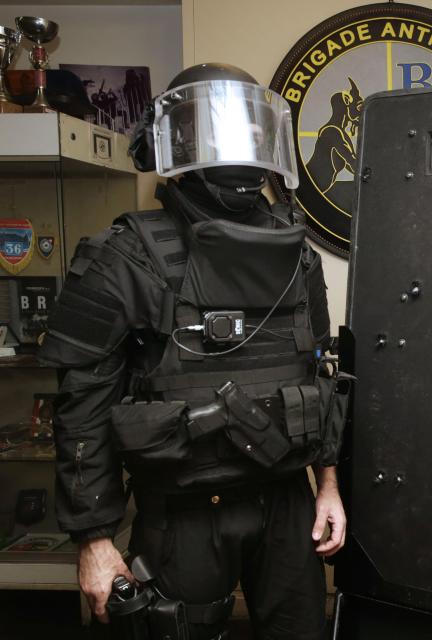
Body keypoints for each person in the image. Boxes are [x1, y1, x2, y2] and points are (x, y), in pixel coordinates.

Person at [40, 63, 349, 639]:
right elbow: (81, 405)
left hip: (286, 501)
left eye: (249, 130)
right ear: (176, 139)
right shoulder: (124, 255)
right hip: (182, 508)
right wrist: (94, 541)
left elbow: (319, 374)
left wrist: (327, 486)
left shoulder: (295, 253)